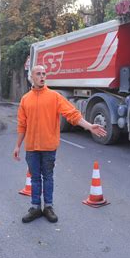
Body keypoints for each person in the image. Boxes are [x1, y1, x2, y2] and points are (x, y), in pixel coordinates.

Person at [13, 65, 107, 224]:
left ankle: (48, 207)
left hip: (49, 147)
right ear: (32, 77)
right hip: (31, 148)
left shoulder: (54, 97)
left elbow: (72, 114)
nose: (42, 76)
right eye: (38, 74)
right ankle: (35, 207)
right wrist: (17, 146)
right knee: (35, 178)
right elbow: (22, 125)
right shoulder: (25, 99)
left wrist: (89, 126)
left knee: (48, 177)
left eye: (44, 74)